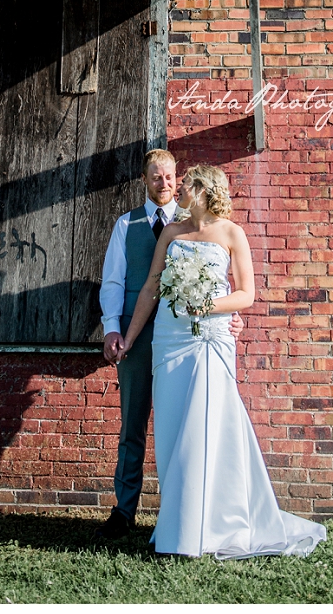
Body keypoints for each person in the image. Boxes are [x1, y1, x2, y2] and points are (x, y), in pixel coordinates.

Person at [118, 163, 327, 559]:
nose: (178, 187)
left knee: (207, 426)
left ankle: (212, 526)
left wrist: (207, 306)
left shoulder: (232, 233)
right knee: (172, 430)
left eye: (186, 183)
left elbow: (246, 294)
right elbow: (150, 287)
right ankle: (177, 526)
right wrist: (129, 339)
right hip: (169, 337)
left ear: (205, 189)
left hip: (209, 337)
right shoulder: (172, 233)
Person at [97, 150, 242, 541]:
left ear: (178, 178)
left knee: (183, 423)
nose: (165, 184)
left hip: (186, 333)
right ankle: (124, 511)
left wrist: (227, 314)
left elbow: (223, 282)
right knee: (133, 425)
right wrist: (114, 329)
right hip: (138, 332)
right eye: (156, 177)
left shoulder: (195, 224)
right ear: (145, 180)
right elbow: (115, 282)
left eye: (170, 176)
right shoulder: (126, 225)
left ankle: (179, 513)